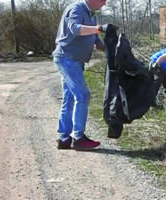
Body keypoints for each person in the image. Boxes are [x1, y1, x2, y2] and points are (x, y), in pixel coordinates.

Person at [52, 0, 114, 150]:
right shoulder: (77, 9)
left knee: (69, 97)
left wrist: (112, 49)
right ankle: (79, 138)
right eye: (103, 1)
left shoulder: (91, 15)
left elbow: (95, 40)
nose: (104, 4)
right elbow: (75, 29)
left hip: (75, 61)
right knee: (83, 95)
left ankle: (64, 138)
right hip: (67, 59)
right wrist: (99, 28)